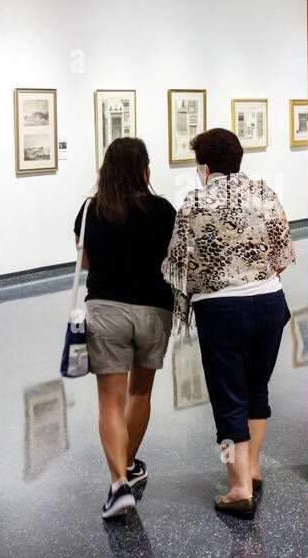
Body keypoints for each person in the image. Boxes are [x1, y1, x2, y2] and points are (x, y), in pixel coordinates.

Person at [162, 128, 295, 518]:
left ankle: (238, 489)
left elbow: (177, 268)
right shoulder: (265, 194)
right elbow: (283, 254)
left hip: (221, 312)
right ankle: (252, 469)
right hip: (270, 303)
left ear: (203, 167)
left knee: (227, 401)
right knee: (257, 390)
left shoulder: (193, 204)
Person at [73, 138, 176, 521]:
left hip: (106, 311)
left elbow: (84, 262)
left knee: (109, 403)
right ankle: (128, 466)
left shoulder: (91, 209)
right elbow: (172, 258)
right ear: (144, 170)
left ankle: (119, 483)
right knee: (140, 393)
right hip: (153, 310)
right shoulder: (164, 209)